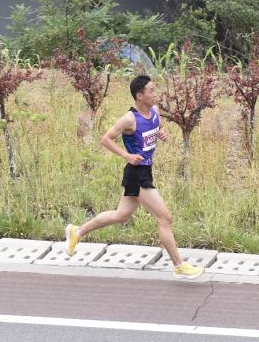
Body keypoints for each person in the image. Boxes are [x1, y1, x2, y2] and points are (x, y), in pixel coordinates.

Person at [64, 74, 205, 280]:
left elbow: (156, 127)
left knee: (121, 215)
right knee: (165, 217)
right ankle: (179, 265)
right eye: (151, 91)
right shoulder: (129, 119)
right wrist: (126, 155)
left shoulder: (155, 111)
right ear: (139, 96)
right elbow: (106, 138)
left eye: (154, 90)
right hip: (137, 174)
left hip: (144, 171)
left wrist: (161, 133)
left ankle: (77, 232)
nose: (155, 94)